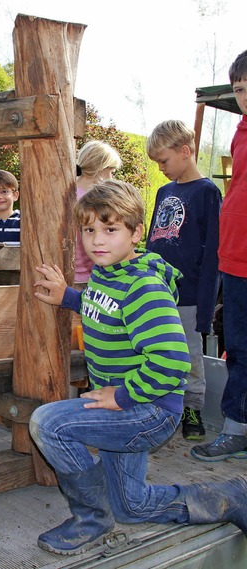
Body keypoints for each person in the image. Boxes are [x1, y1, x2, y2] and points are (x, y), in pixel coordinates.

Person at [29, 179, 247, 555]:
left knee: (48, 423)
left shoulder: (144, 287)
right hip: (129, 405)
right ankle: (231, 496)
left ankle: (91, 519)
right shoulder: (107, 275)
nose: (98, 240)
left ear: (135, 233)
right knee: (133, 507)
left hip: (146, 409)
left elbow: (173, 361)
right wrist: (68, 297)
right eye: (90, 230)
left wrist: (124, 396)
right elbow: (109, 313)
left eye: (110, 229)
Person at [145, 120, 221, 441]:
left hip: (188, 295)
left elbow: (213, 254)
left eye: (163, 161)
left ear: (185, 151)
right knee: (154, 350)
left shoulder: (207, 192)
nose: (161, 168)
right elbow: (153, 241)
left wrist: (205, 307)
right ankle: (157, 405)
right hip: (157, 293)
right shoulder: (164, 191)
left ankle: (191, 408)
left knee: (190, 355)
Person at [192, 49, 247, 461]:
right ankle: (236, 429)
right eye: (240, 89)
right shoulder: (241, 131)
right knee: (238, 349)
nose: (244, 96)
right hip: (235, 259)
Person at [74, 141, 122, 284]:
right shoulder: (94, 199)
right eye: (111, 172)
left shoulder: (67, 192)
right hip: (91, 275)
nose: (111, 178)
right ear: (101, 169)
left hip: (71, 272)